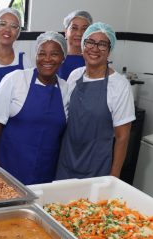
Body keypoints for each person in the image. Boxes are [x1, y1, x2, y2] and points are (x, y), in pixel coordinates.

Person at [56, 22, 135, 180]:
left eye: (102, 44)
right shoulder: (75, 76)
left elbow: (122, 137)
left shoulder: (119, 85)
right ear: (83, 45)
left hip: (97, 168)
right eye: (90, 42)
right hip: (66, 161)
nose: (95, 48)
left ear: (110, 50)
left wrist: (114, 177)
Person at [0, 31, 69, 185]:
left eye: (54, 54)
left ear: (63, 58)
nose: (47, 59)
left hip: (47, 171)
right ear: (35, 56)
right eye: (42, 53)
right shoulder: (16, 79)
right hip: (10, 169)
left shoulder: (66, 88)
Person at [57, 10, 92, 80]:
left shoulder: (94, 60)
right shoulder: (55, 59)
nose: (79, 33)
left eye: (84, 29)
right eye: (74, 28)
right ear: (66, 32)